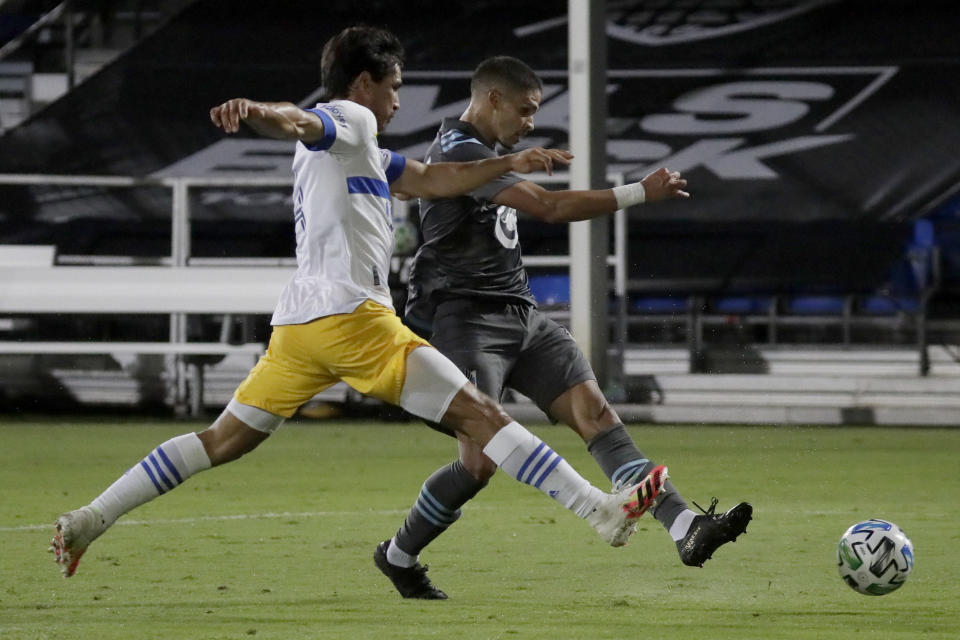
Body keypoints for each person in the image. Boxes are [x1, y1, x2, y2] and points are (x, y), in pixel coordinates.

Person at [48, 26, 669, 580]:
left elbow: (429, 180)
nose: (399, 101)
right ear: (365, 82)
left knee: (223, 440)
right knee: (480, 415)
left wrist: (509, 161)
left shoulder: (361, 151)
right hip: (352, 315)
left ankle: (91, 518)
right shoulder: (351, 118)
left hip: (300, 325)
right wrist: (258, 110)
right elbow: (298, 118)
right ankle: (599, 510)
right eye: (394, 86)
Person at [374, 56, 752, 600]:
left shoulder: (489, 154)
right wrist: (637, 192)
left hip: (522, 315)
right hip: (464, 321)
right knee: (479, 463)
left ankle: (685, 527)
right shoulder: (456, 151)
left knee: (596, 414)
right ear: (493, 100)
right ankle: (398, 555)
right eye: (525, 111)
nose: (530, 123)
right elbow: (547, 208)